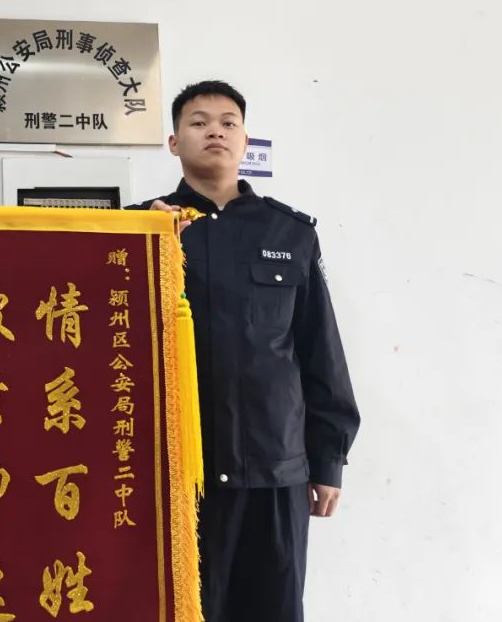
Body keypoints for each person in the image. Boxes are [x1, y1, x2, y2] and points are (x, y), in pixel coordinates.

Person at [130, 80, 359, 622]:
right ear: (173, 142)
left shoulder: (289, 231)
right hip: (174, 474)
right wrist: (143, 241)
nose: (215, 131)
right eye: (198, 122)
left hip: (274, 470)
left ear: (245, 140)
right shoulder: (143, 228)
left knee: (272, 609)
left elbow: (319, 349)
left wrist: (328, 459)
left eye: (228, 122)